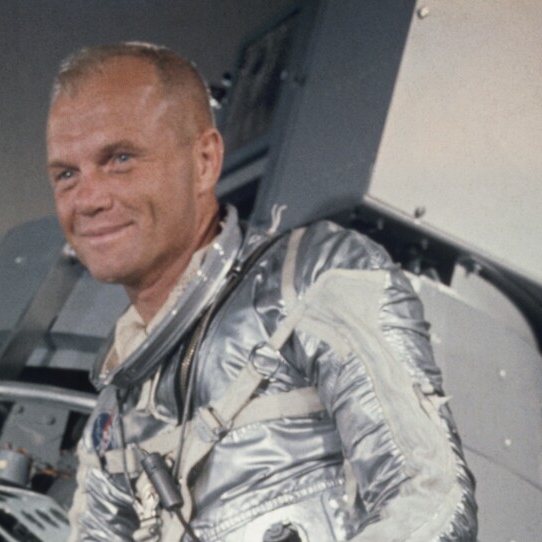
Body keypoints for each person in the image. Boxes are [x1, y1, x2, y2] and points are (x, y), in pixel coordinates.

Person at [46, 42, 477, 541]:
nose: (89, 199)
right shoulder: (116, 413)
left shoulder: (312, 278)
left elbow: (430, 497)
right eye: (66, 174)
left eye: (120, 158)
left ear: (204, 161)